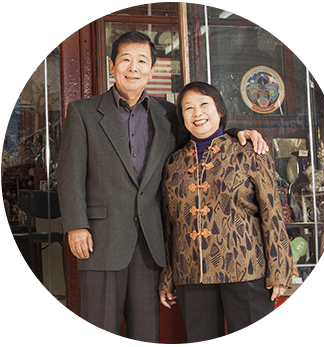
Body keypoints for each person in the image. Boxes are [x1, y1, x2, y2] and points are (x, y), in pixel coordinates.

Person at [57, 31, 268, 343]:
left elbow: (202, 134)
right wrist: (76, 225)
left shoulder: (169, 114)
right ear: (112, 66)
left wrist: (238, 132)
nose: (134, 67)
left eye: (142, 61)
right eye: (125, 60)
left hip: (150, 244)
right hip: (100, 240)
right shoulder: (83, 112)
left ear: (152, 71)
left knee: (146, 333)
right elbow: (69, 174)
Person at [159, 81, 293, 343]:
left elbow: (272, 213)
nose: (197, 113)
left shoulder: (249, 151)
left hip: (246, 269)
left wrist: (279, 268)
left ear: (219, 110)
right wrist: (168, 277)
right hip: (192, 273)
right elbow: (169, 225)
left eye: (204, 104)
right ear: (182, 118)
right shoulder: (173, 164)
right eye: (188, 108)